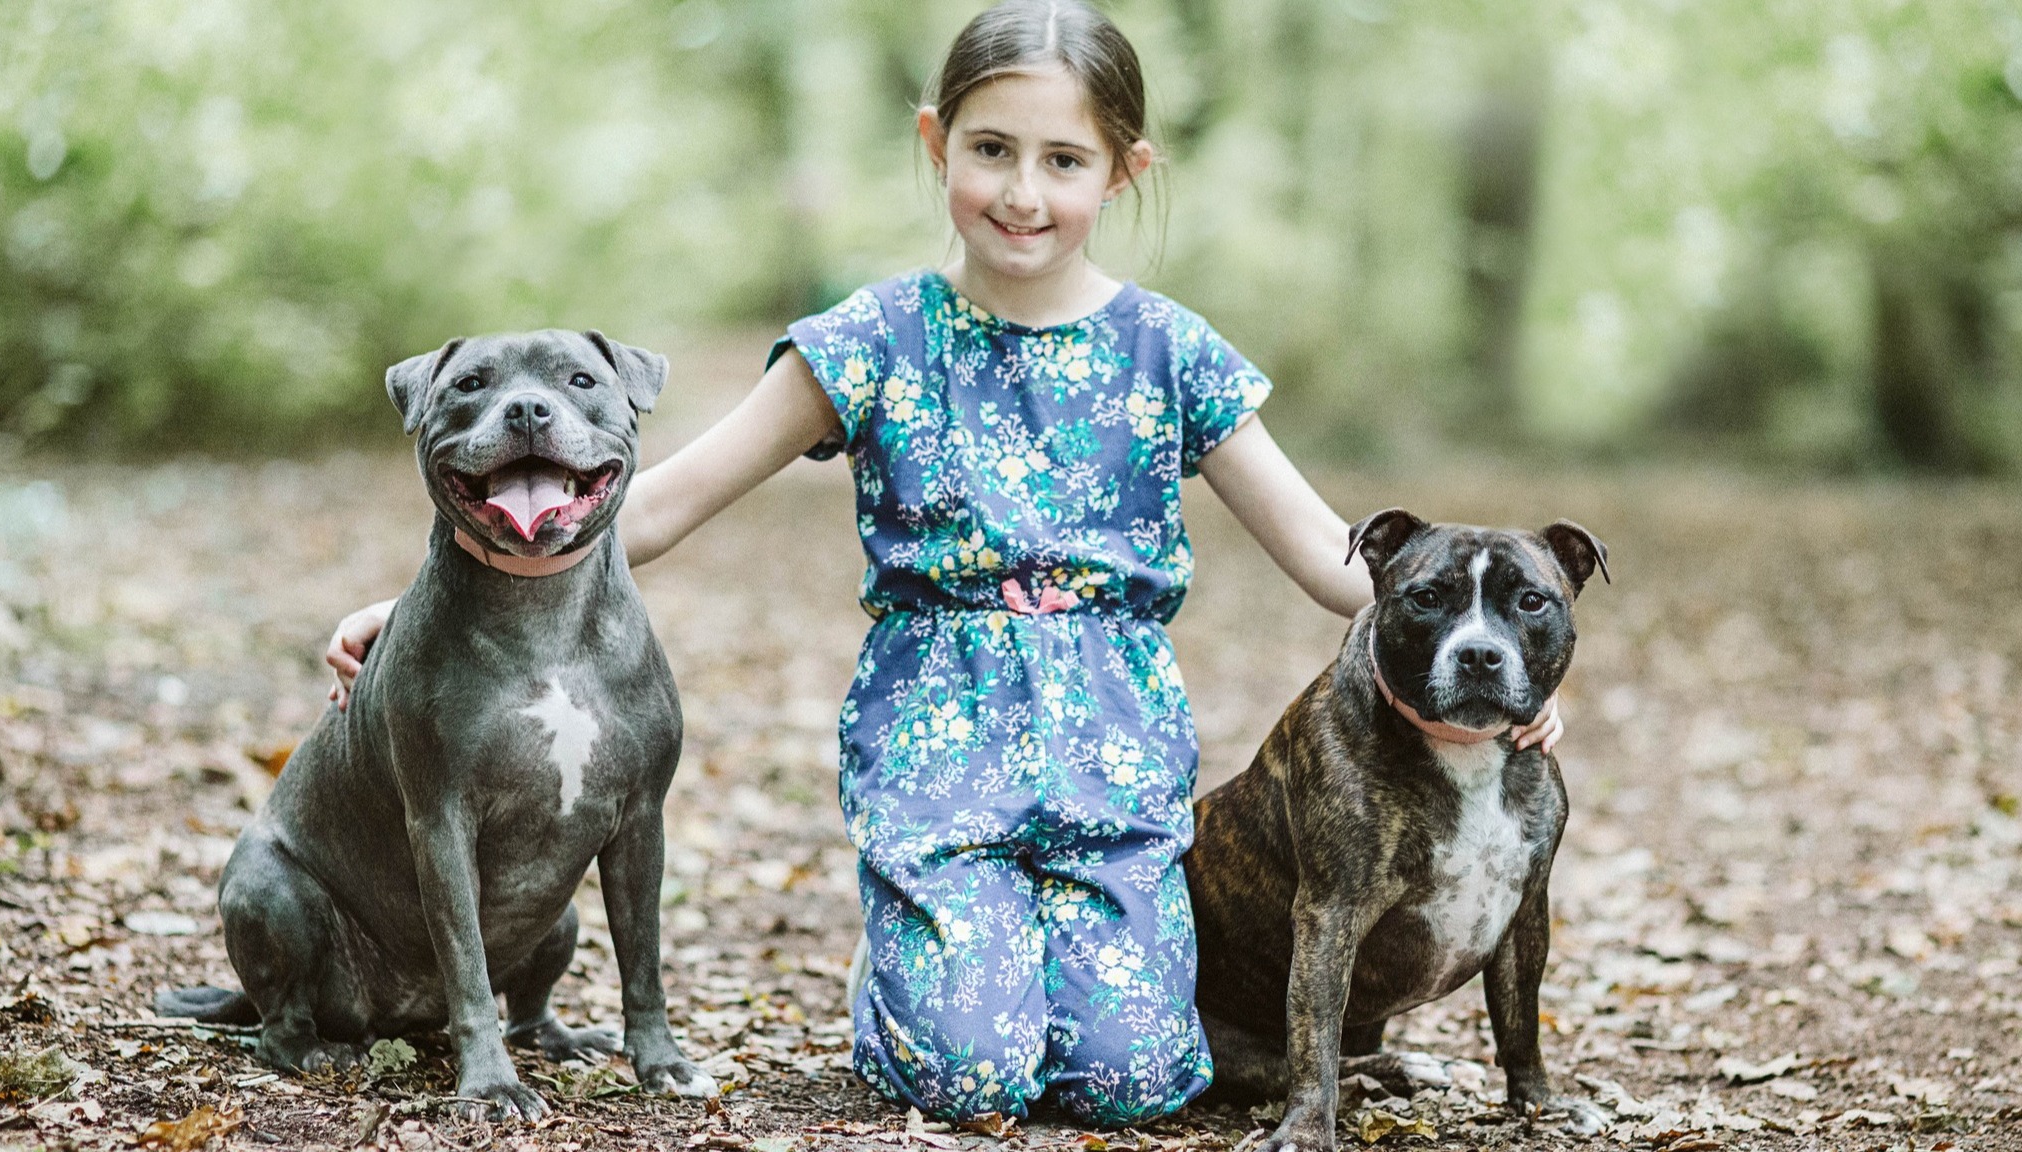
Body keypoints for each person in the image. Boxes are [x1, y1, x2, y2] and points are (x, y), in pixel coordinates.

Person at [325, 0, 1562, 1126]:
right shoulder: (870, 340)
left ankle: (1036, 951)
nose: (1023, 192)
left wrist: (1483, 674)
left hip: (1113, 762)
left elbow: (1326, 555)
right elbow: (655, 505)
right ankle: (910, 967)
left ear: (1124, 170)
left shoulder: (1171, 354)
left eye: (1063, 161)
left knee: (1135, 1081)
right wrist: (427, 597)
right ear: (937, 144)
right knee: (973, 1076)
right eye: (992, 151)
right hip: (940, 749)